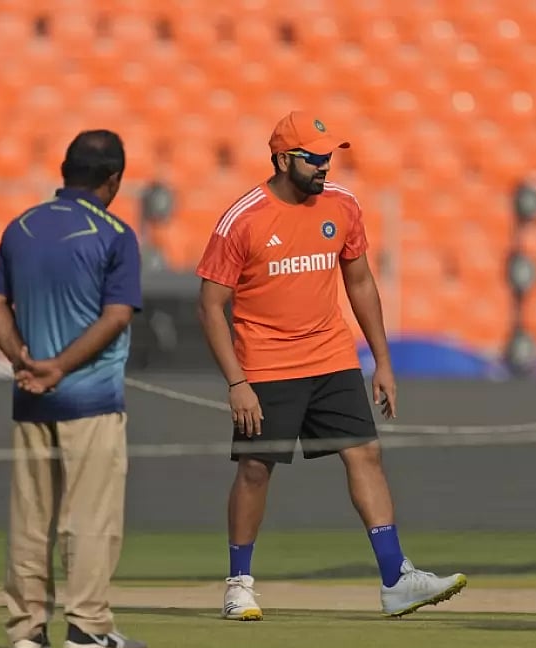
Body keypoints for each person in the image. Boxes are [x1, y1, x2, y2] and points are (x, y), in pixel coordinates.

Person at [195, 111, 466, 621]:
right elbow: (211, 305)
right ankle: (238, 585)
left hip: (332, 355)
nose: (324, 165)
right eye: (314, 157)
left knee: (366, 454)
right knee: (255, 469)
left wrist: (382, 361)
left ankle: (396, 580)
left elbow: (359, 281)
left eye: (328, 156)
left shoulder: (342, 205)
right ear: (282, 159)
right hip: (266, 364)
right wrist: (237, 382)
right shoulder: (244, 218)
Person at [0, 130, 147, 648]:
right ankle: (88, 626)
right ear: (113, 179)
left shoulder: (22, 227)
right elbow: (116, 316)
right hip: (90, 401)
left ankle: (27, 629)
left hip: (30, 398)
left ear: (65, 170)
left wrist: (22, 359)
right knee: (90, 517)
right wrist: (58, 368)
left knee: (30, 519)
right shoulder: (115, 234)